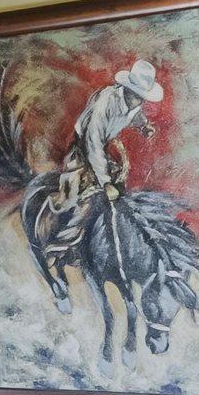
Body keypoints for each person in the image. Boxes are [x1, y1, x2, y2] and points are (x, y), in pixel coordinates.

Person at [39, 58, 164, 283]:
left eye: (141, 97)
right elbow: (93, 141)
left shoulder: (133, 104)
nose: (138, 101)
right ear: (126, 89)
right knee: (84, 199)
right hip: (83, 149)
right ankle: (62, 245)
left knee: (121, 198)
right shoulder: (106, 101)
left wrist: (143, 125)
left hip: (102, 152)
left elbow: (133, 114)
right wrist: (105, 181)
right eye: (136, 95)